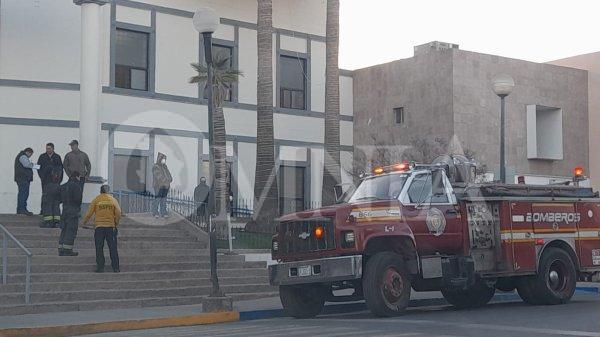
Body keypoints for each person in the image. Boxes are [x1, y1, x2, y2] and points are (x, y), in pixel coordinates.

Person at [81, 185, 121, 273]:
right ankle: (116, 267)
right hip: (110, 227)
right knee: (113, 248)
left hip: (99, 227)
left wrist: (83, 223)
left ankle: (100, 267)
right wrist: (116, 223)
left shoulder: (96, 199)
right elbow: (118, 212)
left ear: (100, 191)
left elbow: (89, 213)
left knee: (99, 248)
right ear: (109, 191)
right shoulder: (113, 200)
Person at [58, 171, 83, 256]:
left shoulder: (63, 186)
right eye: (79, 177)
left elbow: (59, 198)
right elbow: (78, 199)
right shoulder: (76, 186)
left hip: (64, 210)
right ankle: (67, 250)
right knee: (71, 230)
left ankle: (61, 249)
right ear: (77, 177)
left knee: (64, 230)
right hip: (73, 211)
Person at [37, 143, 63, 215]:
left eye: (49, 148)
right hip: (45, 181)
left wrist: (59, 180)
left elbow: (61, 169)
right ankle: (43, 210)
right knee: (45, 196)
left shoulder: (57, 157)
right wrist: (42, 176)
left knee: (55, 197)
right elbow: (38, 167)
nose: (47, 150)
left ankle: (55, 211)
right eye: (46, 148)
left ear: (53, 149)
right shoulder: (42, 157)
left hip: (55, 181)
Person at [14, 147, 36, 215]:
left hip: (21, 178)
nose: (30, 156)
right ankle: (22, 209)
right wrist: (36, 166)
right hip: (23, 178)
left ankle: (20, 209)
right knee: (24, 194)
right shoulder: (23, 156)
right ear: (28, 152)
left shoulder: (21, 155)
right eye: (30, 154)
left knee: (22, 194)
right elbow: (27, 165)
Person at [152, 152, 172, 218]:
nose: (164, 160)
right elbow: (158, 177)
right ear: (159, 159)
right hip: (158, 186)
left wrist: (168, 180)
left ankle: (163, 213)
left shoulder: (165, 167)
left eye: (165, 159)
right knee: (158, 199)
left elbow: (170, 176)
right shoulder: (156, 167)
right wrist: (166, 180)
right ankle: (155, 213)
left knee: (164, 199)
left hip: (165, 186)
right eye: (163, 159)